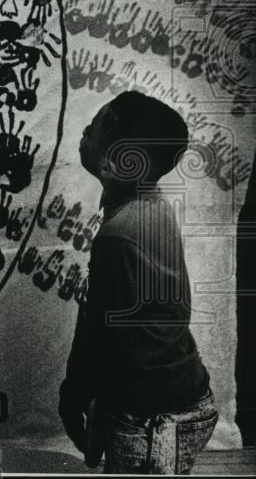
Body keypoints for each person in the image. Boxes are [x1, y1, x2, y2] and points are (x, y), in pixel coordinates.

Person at [59, 90, 218, 474]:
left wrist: (73, 396)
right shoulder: (149, 204)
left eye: (94, 127)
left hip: (155, 418)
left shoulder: (120, 232)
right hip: (171, 399)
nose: (84, 130)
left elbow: (100, 331)